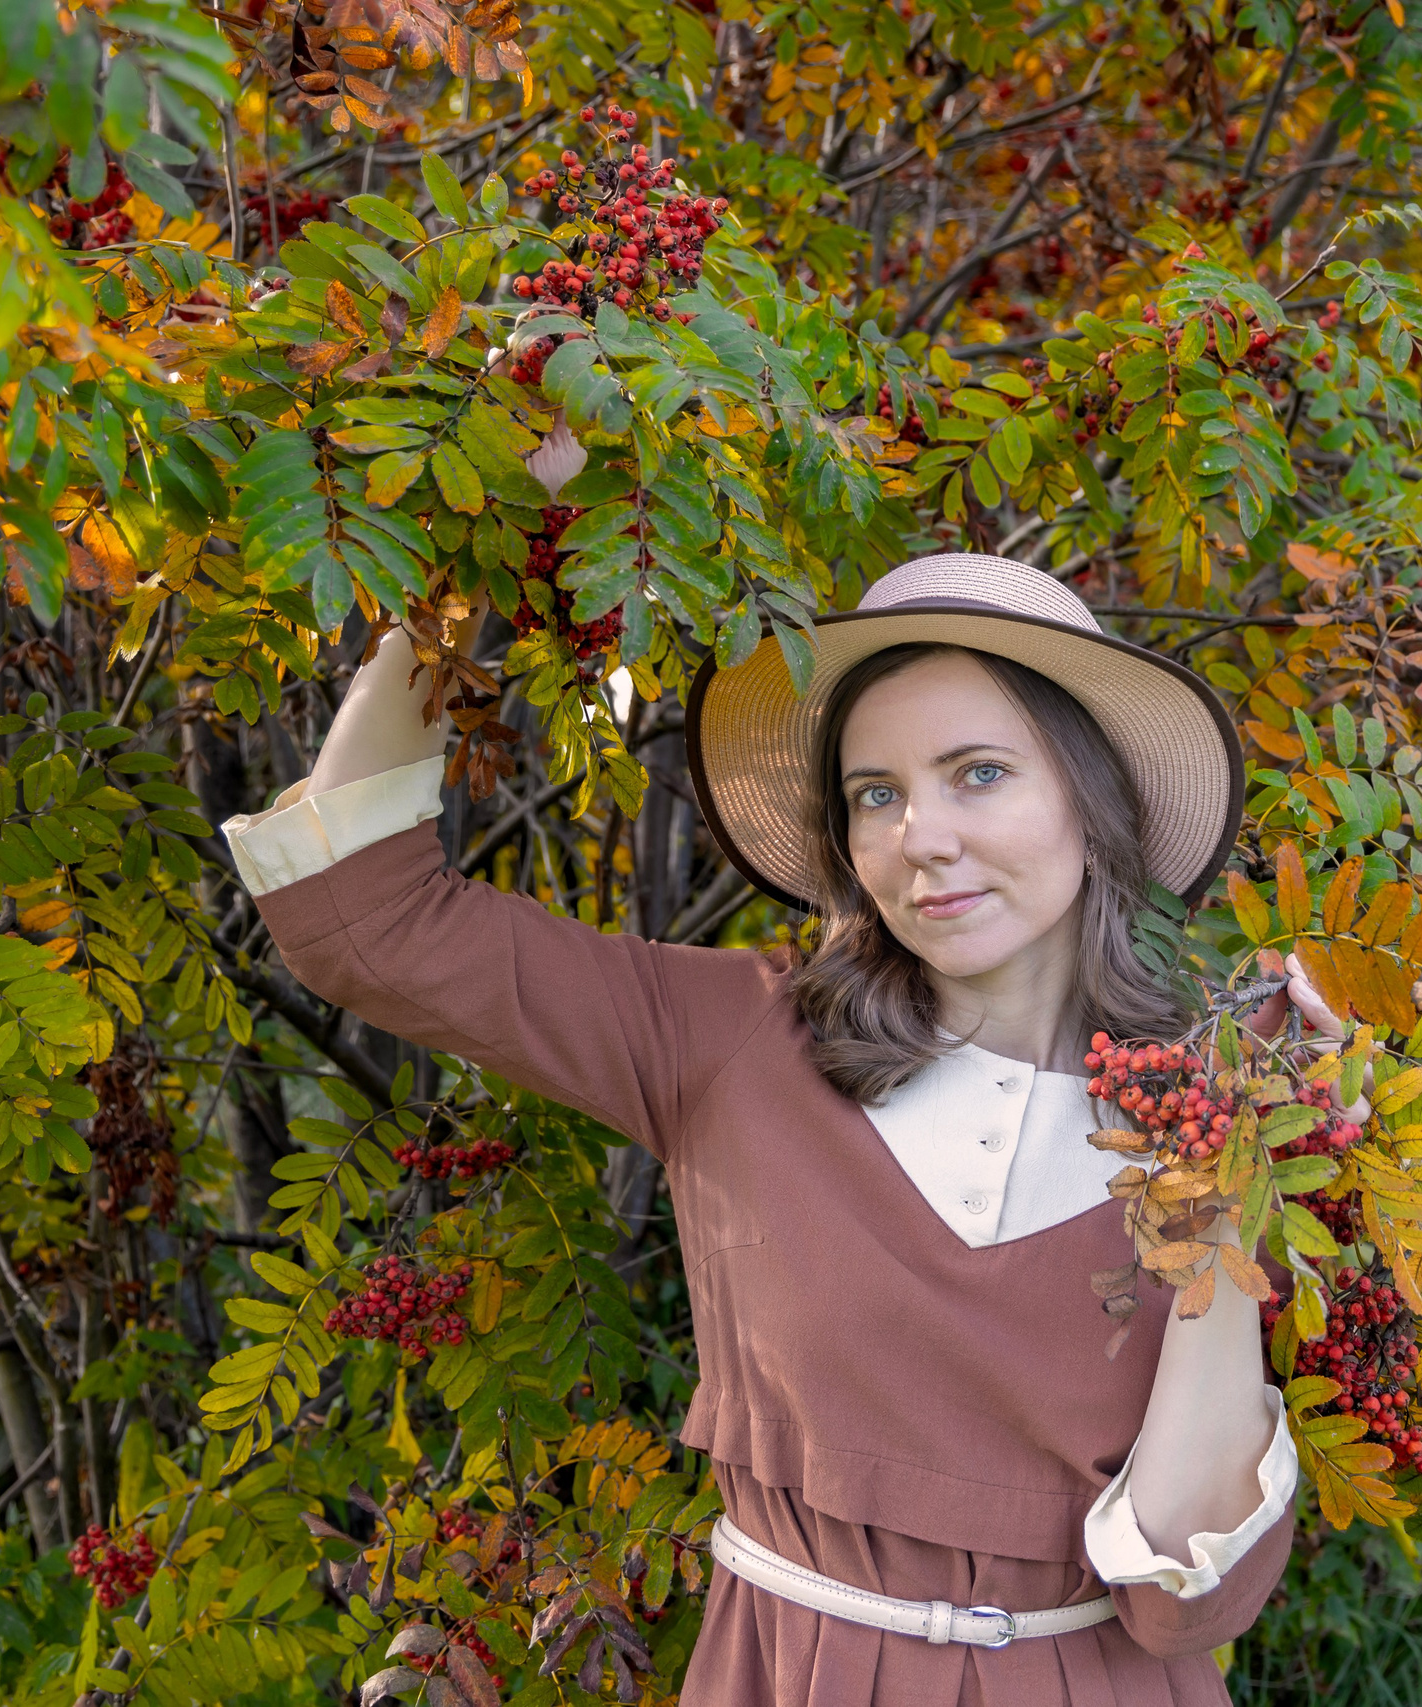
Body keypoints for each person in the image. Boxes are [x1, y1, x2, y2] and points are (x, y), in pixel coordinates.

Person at [222, 550, 1356, 1705]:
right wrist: (480, 547)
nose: (922, 836)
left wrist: (1238, 1185)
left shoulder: (1210, 1113)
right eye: (877, 794)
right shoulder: (729, 1039)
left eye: (977, 773)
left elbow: (1181, 1599)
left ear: (1091, 796)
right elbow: (361, 919)